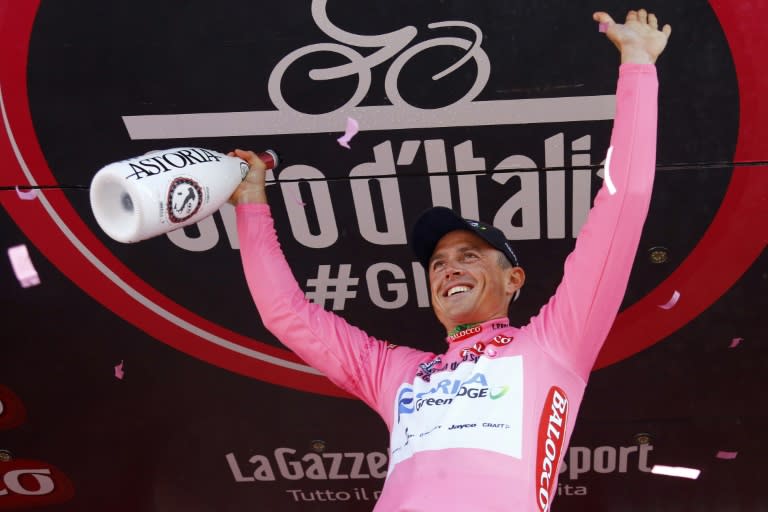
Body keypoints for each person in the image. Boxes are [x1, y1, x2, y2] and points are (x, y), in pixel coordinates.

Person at [229, 8, 671, 511]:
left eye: (469, 256)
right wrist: (250, 203)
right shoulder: (396, 374)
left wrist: (637, 65)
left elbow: (622, 208)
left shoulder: (554, 344)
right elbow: (286, 314)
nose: (448, 268)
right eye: (437, 263)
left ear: (514, 279)